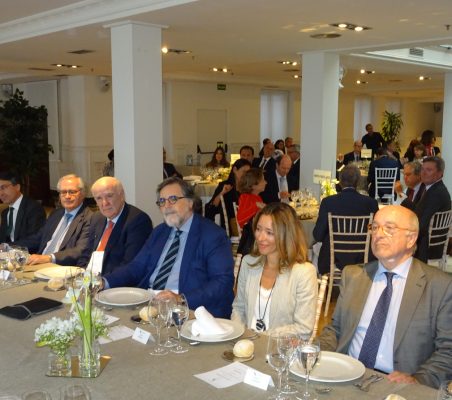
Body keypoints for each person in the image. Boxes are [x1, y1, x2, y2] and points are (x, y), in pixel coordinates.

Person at [319, 205, 452, 389]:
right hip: (346, 374)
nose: (378, 234)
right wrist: (314, 354)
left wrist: (418, 380)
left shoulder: (440, 286)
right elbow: (335, 330)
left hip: (398, 386)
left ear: (411, 238)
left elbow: (447, 350)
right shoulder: (354, 276)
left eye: (389, 228)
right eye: (374, 227)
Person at [102, 177, 234, 318]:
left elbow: (222, 281)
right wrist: (104, 282)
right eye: (162, 201)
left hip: (189, 310)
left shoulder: (212, 235)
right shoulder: (160, 232)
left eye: (173, 199)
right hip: (150, 303)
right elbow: (136, 266)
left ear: (190, 202)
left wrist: (181, 299)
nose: (167, 206)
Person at [232, 202, 318, 335]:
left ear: (286, 235)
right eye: (258, 229)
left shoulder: (304, 272)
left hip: (279, 346)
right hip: (246, 343)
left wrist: (260, 339)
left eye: (269, 232)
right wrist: (239, 336)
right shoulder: (248, 263)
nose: (260, 237)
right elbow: (239, 308)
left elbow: (303, 328)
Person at [78, 177, 153, 275]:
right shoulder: (97, 218)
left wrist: (102, 281)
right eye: (99, 198)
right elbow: (86, 254)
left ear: (121, 195)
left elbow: (130, 265)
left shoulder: (138, 221)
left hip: (113, 280)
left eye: (109, 196)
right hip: (89, 278)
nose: (105, 203)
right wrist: (80, 274)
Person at [313, 165, 379, 275]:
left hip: (333, 258)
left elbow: (317, 235)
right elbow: (374, 230)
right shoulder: (371, 203)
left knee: (315, 250)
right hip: (363, 256)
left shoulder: (328, 202)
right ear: (358, 182)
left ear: (340, 182)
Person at [17, 174, 92, 266]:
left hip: (60, 267)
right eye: (63, 192)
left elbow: (80, 250)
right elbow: (37, 238)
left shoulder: (89, 218)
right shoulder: (56, 214)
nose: (67, 196)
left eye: (72, 192)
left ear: (82, 194)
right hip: (39, 264)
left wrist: (50, 258)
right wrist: (10, 246)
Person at [403, 156, 451, 263]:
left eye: (429, 170)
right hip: (430, 242)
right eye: (422, 169)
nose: (423, 173)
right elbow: (419, 210)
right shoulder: (432, 189)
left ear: (440, 173)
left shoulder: (436, 194)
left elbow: (422, 225)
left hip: (427, 246)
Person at [204, 159, 251, 234]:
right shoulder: (225, 185)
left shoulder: (248, 187)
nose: (246, 175)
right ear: (235, 170)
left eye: (248, 173)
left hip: (245, 224)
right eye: (244, 172)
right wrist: (222, 193)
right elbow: (212, 208)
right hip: (229, 226)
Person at [0, 172, 46, 243]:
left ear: (17, 187)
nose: (1, 193)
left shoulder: (34, 209)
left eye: (3, 188)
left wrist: (7, 247)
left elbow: (34, 240)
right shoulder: (5, 213)